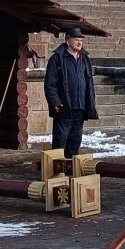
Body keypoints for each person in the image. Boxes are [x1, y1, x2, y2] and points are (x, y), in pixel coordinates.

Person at [43, 27, 98, 158]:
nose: (79, 42)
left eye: (81, 40)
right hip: (64, 107)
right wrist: (55, 102)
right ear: (68, 42)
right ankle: (57, 169)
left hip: (80, 107)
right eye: (76, 40)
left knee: (75, 141)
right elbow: (50, 84)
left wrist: (90, 101)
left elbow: (88, 82)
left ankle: (70, 167)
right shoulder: (57, 59)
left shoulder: (84, 58)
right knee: (60, 140)